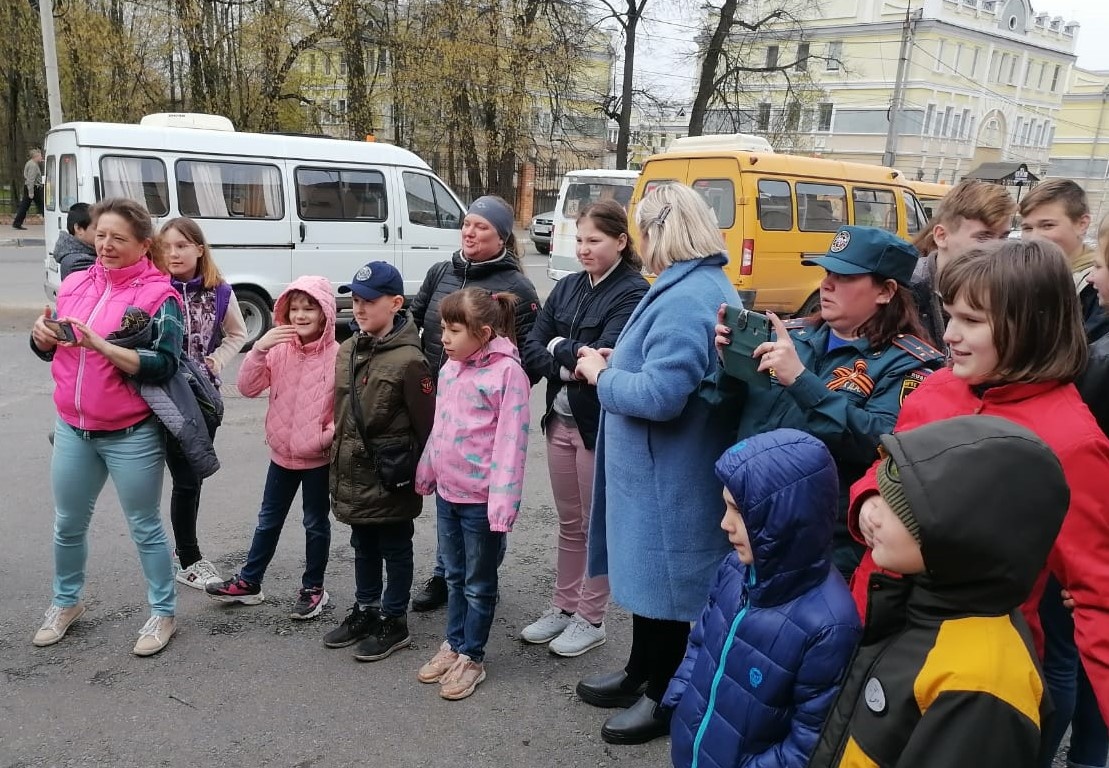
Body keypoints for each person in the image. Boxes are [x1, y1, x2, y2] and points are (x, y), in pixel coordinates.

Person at [845, 240, 1109, 731]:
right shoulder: (937, 388)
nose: (950, 335)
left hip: (966, 669)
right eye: (949, 316)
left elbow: (1098, 593)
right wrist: (866, 502)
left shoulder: (1071, 441)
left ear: (1030, 323)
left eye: (972, 320)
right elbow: (883, 468)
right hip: (877, 621)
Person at [572, 183, 740, 745]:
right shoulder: (693, 283)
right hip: (659, 471)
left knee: (666, 591)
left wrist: (602, 375)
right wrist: (623, 357)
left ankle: (665, 696)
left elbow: (661, 396)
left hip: (668, 476)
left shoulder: (688, 295)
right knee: (652, 587)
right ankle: (642, 670)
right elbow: (670, 366)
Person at [809, 416, 1069, 768]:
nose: (874, 515)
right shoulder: (922, 602)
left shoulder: (982, 685)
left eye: (899, 509)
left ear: (963, 537)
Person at [712, 225, 944, 581]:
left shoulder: (909, 363)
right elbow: (719, 412)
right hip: (749, 517)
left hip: (822, 541)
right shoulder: (796, 336)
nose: (827, 284)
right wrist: (730, 367)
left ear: (886, 291)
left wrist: (802, 382)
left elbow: (880, 443)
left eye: (845, 277)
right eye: (827, 273)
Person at [29, 197, 183, 656]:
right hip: (73, 428)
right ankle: (66, 603)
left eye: (118, 238)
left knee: (145, 526)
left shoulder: (160, 295)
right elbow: (56, 347)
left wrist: (101, 345)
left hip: (130, 433)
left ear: (143, 244)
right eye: (100, 235)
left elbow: (165, 363)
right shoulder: (75, 283)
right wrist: (41, 338)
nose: (106, 245)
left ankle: (162, 612)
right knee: (68, 524)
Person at [662, 430, 861, 768]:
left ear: (787, 520)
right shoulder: (734, 569)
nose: (725, 523)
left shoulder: (829, 627)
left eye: (738, 511)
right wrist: (679, 701)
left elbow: (809, 743)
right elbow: (700, 643)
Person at [518, 200, 649, 657]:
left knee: (596, 524)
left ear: (620, 241)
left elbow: (609, 355)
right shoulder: (569, 285)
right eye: (579, 240)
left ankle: (591, 617)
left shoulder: (633, 292)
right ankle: (563, 604)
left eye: (594, 240)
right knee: (570, 522)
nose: (584, 249)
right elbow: (533, 344)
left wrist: (561, 348)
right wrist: (568, 360)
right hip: (560, 417)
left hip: (598, 425)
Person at [409, 194, 541, 613]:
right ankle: (445, 573)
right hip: (436, 397)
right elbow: (414, 320)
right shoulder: (441, 271)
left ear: (501, 236)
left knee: (479, 504)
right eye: (467, 223)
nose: (470, 231)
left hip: (482, 413)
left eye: (481, 226)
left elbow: (528, 354)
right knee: (447, 492)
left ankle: (481, 575)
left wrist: (492, 399)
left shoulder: (516, 286)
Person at [414, 287, 531, 701]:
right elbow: (440, 428)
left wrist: (501, 504)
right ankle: (454, 643)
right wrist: (428, 470)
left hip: (482, 502)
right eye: (443, 328)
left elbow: (511, 444)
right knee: (455, 576)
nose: (443, 338)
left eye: (453, 330)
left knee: (480, 584)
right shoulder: (450, 368)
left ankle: (472, 657)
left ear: (483, 333)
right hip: (448, 494)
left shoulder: (508, 375)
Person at [206, 276, 339, 620]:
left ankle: (314, 588)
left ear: (325, 313)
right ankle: (250, 581)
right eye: (294, 308)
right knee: (268, 520)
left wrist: (324, 437)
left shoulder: (338, 356)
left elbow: (345, 410)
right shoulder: (279, 349)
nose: (300, 315)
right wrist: (260, 348)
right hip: (281, 455)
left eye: (309, 308)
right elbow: (248, 388)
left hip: (318, 458)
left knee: (315, 523)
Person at [324, 261, 435, 662]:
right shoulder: (349, 348)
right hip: (352, 469)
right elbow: (340, 411)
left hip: (391, 475)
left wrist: (420, 473)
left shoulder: (410, 360)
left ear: (396, 303)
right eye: (355, 300)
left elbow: (426, 425)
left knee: (394, 545)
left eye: (369, 301)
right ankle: (366, 609)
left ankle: (394, 619)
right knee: (362, 542)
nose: (360, 308)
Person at [159, 217, 247, 589]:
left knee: (190, 478)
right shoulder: (153, 288)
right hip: (158, 395)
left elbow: (237, 333)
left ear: (199, 249)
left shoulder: (219, 291)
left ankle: (186, 555)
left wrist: (216, 361)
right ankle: (183, 554)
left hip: (201, 400)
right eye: (166, 246)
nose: (174, 253)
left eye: (181, 245)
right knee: (167, 478)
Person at [908, 179, 1015, 346]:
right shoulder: (904, 291)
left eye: (1004, 237)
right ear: (941, 236)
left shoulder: (1008, 290)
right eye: (983, 237)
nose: (997, 248)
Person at [1020, 179, 1109, 344]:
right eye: (1027, 228)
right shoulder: (1018, 276)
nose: (1034, 237)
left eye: (1047, 225)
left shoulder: (1096, 287)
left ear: (1082, 224)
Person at [53, 203, 97, 280]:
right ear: (78, 229)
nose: (101, 233)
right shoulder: (78, 262)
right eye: (96, 228)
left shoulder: (84, 253)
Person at [12, 148, 44, 230]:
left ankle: (17, 222)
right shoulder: (33, 165)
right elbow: (31, 179)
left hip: (32, 187)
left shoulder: (30, 163)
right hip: (33, 188)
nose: (41, 157)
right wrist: (31, 192)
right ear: (35, 156)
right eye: (40, 156)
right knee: (40, 205)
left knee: (27, 205)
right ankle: (17, 223)